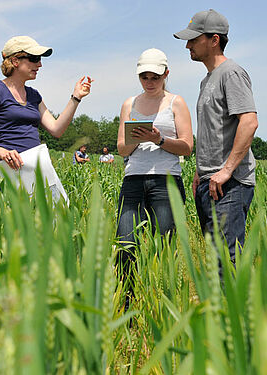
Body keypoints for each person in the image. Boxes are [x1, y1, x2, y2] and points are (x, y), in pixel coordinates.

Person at [174, 9, 258, 264]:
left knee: (228, 263)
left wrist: (226, 170)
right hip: (210, 183)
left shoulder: (231, 73)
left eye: (193, 39)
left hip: (229, 185)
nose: (187, 45)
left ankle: (236, 306)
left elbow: (249, 121)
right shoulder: (207, 80)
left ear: (214, 40)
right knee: (215, 263)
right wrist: (201, 172)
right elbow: (213, 129)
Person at [0, 35, 92, 202]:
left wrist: (76, 98)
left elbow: (56, 129)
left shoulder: (34, 95)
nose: (40, 64)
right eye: (34, 58)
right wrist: (4, 153)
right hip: (5, 172)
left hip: (34, 170)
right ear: (15, 61)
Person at [115, 48, 193, 292]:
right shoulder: (130, 103)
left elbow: (187, 147)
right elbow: (121, 149)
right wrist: (138, 137)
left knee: (165, 246)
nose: (149, 82)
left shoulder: (175, 102)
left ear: (166, 74)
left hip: (166, 180)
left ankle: (162, 300)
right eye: (144, 77)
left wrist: (159, 139)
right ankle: (127, 303)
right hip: (134, 179)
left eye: (155, 77)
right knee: (126, 244)